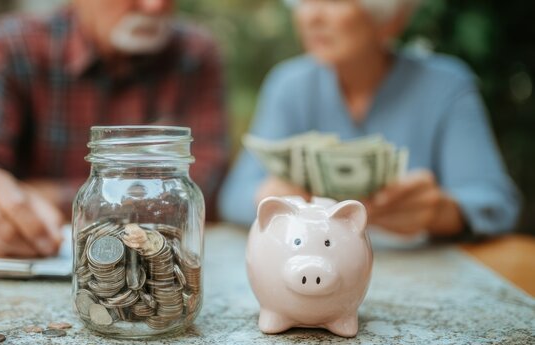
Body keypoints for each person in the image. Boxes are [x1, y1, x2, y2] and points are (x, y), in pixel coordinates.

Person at [0, 0, 228, 257]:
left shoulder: (195, 54)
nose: (156, 5)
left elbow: (205, 181)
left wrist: (46, 195)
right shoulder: (13, 45)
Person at [218, 0, 521, 238]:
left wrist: (441, 212)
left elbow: (496, 204)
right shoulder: (288, 84)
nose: (311, 16)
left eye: (336, 1)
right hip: (314, 272)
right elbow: (234, 196)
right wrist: (267, 196)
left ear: (391, 19)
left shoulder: (448, 86)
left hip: (422, 277)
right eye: (305, 0)